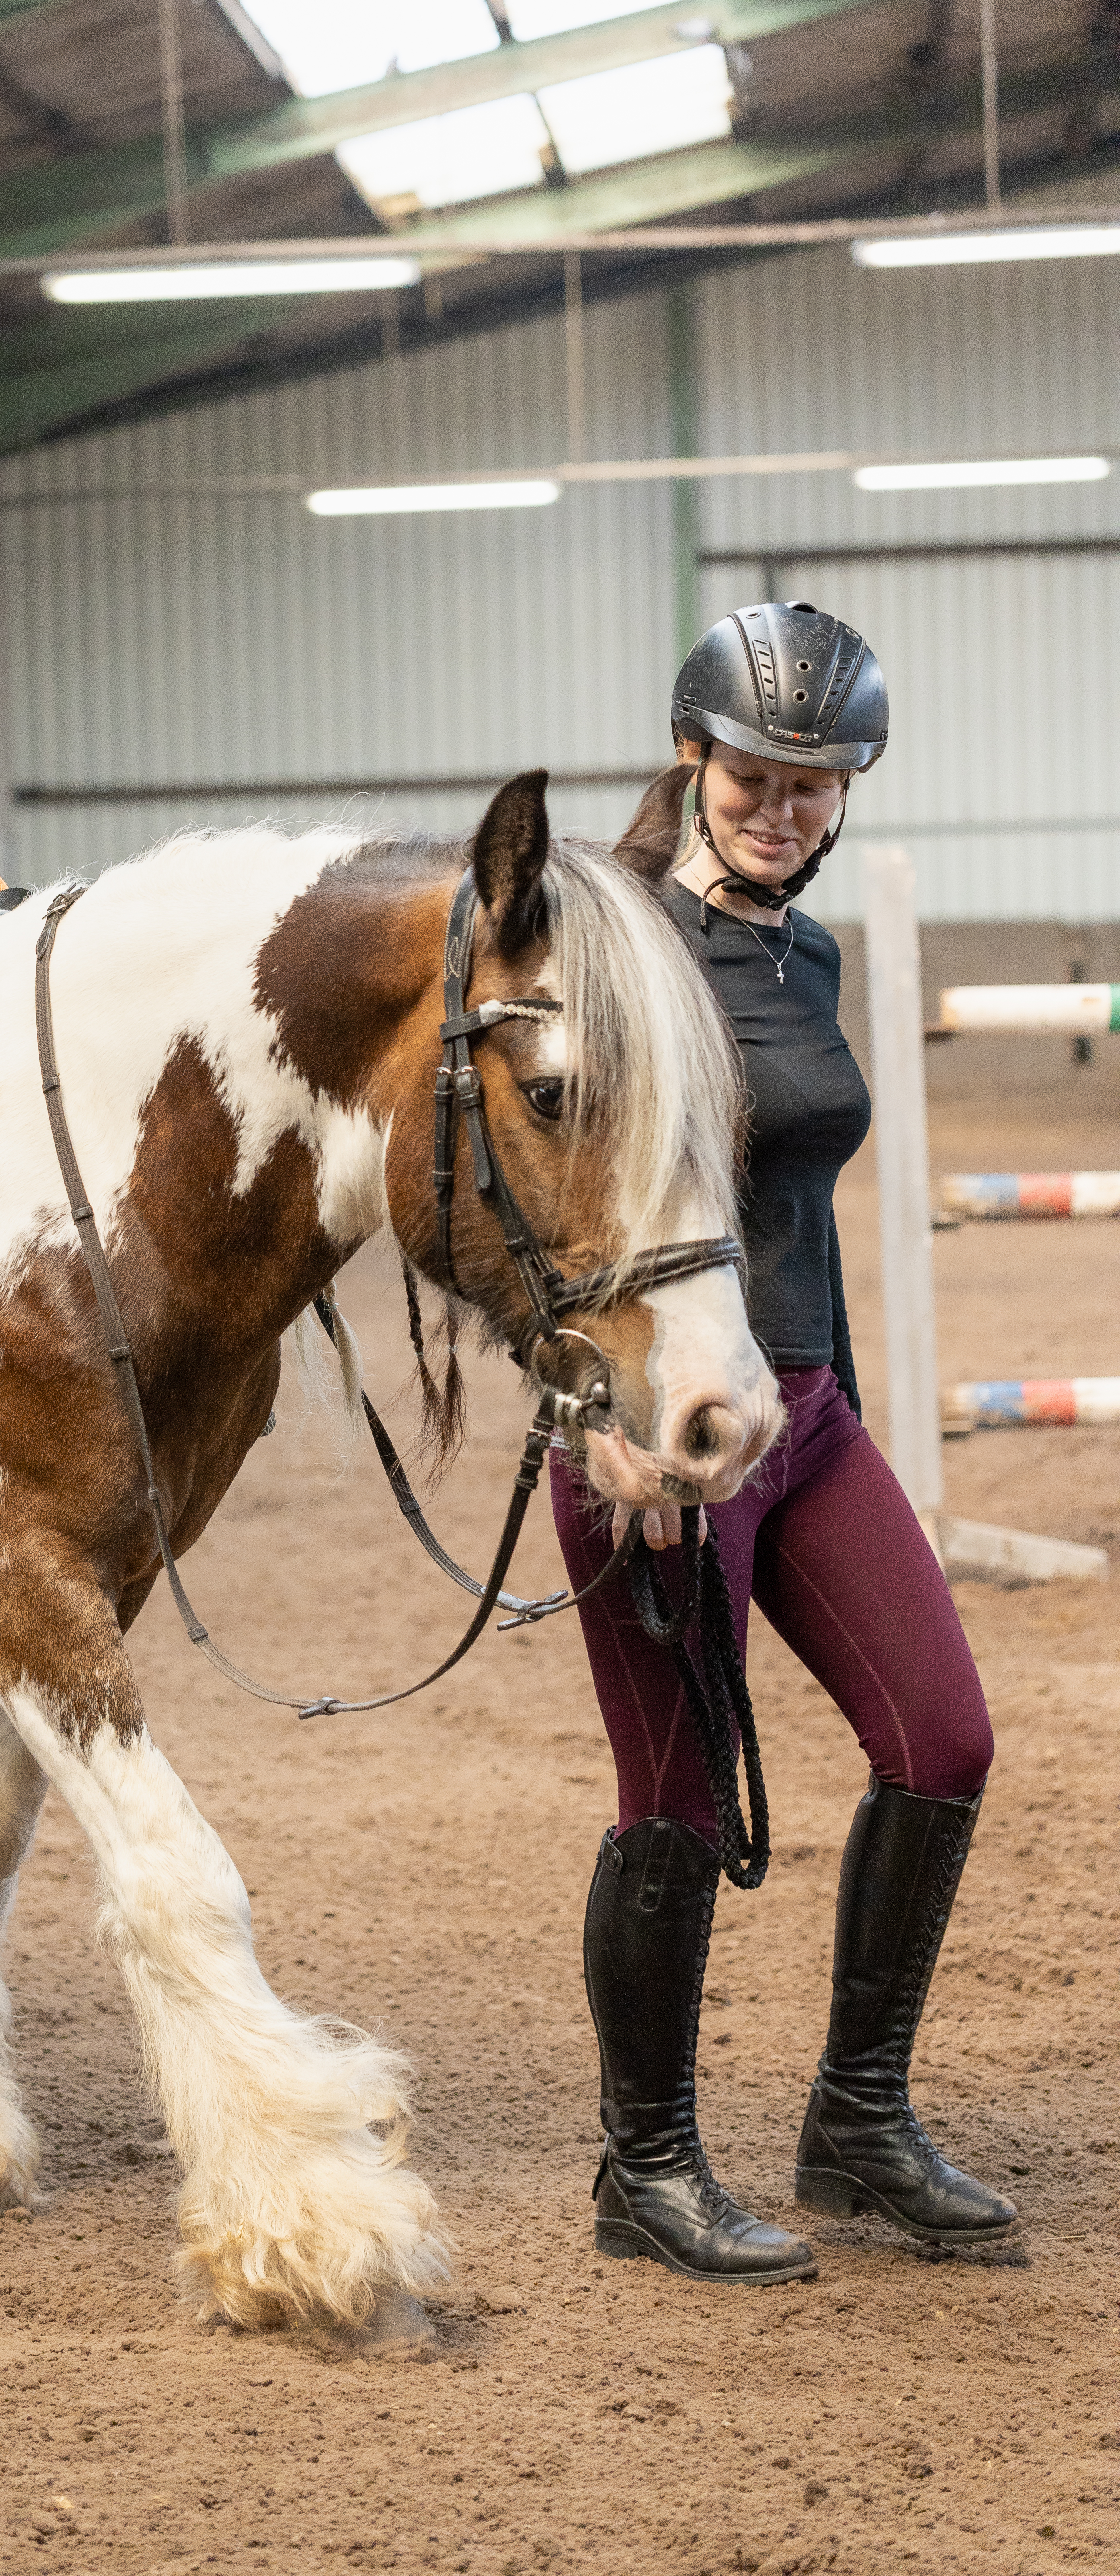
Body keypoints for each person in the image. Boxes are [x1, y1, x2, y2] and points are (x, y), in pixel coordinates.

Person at [551, 601, 1013, 2285]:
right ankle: (646, 2168)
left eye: (819, 781)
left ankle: (857, 2123)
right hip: (660, 1438)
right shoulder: (611, 946)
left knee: (943, 1737)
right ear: (694, 760)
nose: (786, 805)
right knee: (670, 1797)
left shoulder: (807, 954)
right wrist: (622, 1433)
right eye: (756, 772)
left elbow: (798, 1200)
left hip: (807, 1415)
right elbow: (557, 1210)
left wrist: (840, 1407)